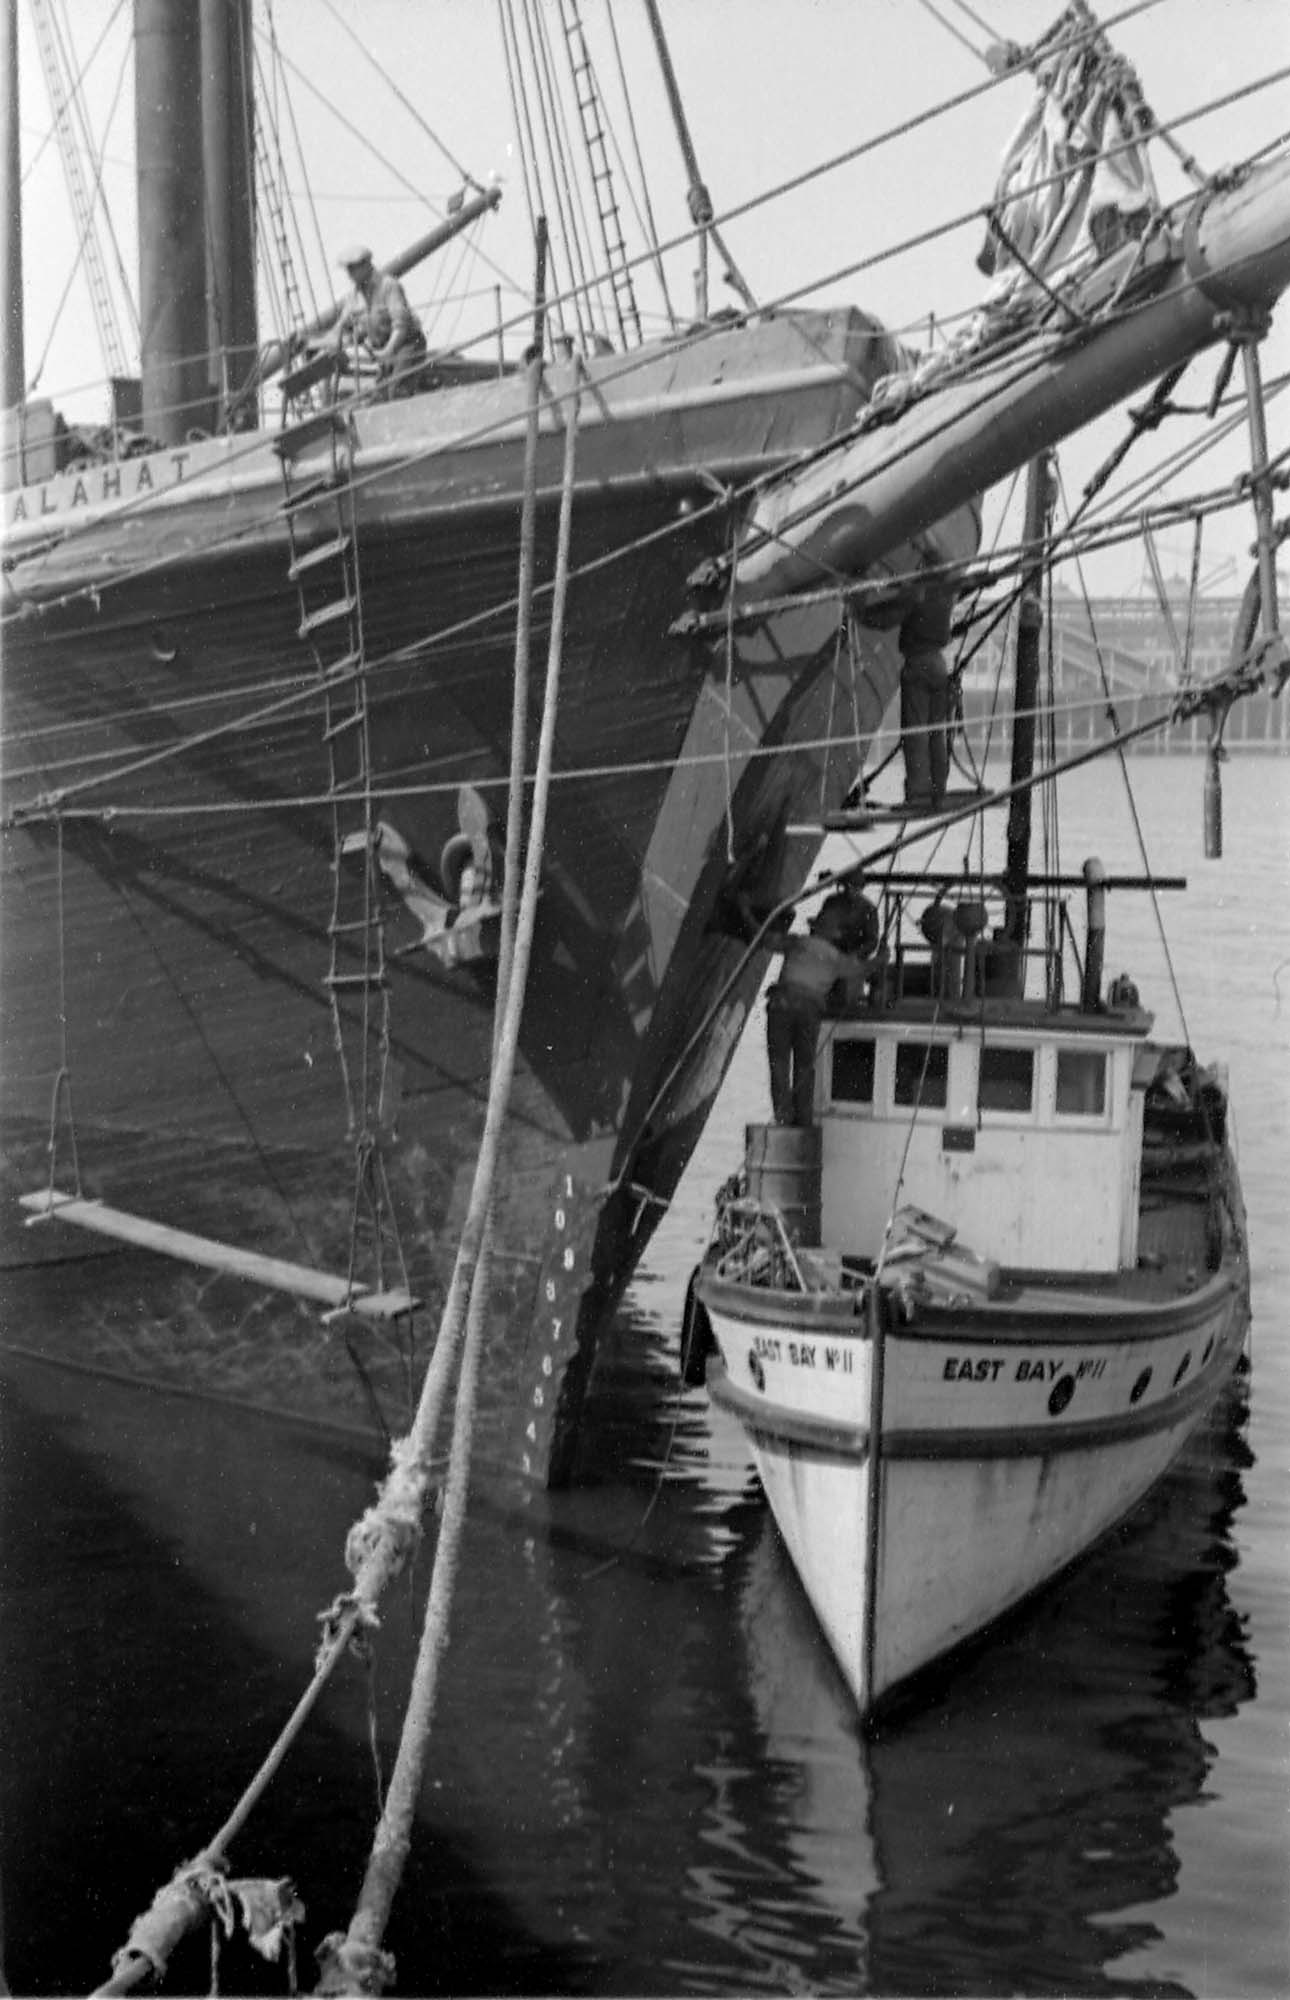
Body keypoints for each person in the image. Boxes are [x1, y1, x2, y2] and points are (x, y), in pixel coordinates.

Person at [763, 888, 883, 1126]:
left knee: (779, 1063)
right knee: (805, 1067)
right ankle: (803, 1118)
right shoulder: (837, 959)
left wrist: (749, 912)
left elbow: (765, 940)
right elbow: (860, 969)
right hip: (809, 1011)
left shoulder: (797, 943)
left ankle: (783, 1116)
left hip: (781, 1005)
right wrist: (881, 959)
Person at [329, 245, 427, 395]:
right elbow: (339, 330)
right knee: (379, 396)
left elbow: (401, 326)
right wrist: (311, 343)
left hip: (407, 345)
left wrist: (387, 351)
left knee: (397, 390)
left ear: (366, 265)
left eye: (352, 269)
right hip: (382, 350)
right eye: (348, 269)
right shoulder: (353, 298)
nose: (349, 275)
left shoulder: (388, 286)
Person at [898, 586, 956, 810]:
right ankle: (937, 791)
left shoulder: (917, 592)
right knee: (936, 732)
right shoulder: (946, 593)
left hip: (918, 662)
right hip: (939, 665)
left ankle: (919, 793)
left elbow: (887, 618)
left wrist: (859, 608)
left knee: (915, 732)